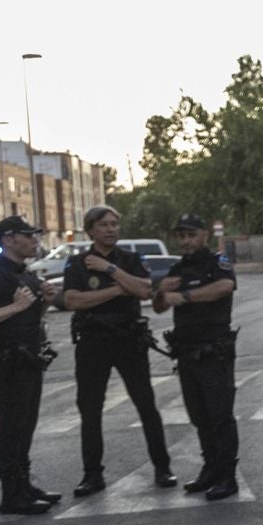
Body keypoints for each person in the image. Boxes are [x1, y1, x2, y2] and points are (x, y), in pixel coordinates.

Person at [62, 204, 175, 498]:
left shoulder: (130, 259)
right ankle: (92, 474)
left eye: (114, 224)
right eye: (104, 225)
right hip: (93, 342)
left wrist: (111, 270)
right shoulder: (78, 263)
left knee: (146, 405)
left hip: (128, 340)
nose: (111, 229)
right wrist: (115, 290)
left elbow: (144, 290)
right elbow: (73, 300)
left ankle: (162, 467)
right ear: (90, 230)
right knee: (90, 409)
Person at [0, 215, 62, 515]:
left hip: (30, 359)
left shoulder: (24, 274)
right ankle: (11, 494)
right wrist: (15, 306)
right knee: (11, 428)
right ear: (8, 239)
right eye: (28, 235)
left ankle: (23, 485)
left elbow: (28, 318)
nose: (34, 240)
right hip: (8, 362)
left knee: (25, 426)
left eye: (34, 234)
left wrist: (44, 302)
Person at [152, 214, 241, 499]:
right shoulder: (178, 267)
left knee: (220, 415)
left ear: (204, 234)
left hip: (214, 350)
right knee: (199, 415)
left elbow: (225, 287)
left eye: (191, 235)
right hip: (187, 352)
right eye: (181, 236)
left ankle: (227, 475)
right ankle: (211, 468)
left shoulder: (217, 263)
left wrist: (186, 296)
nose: (186, 241)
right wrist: (161, 292)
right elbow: (159, 307)